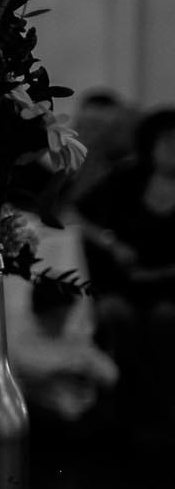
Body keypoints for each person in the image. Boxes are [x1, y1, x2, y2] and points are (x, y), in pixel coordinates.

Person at [77, 106, 175, 429]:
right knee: (116, 315)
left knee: (164, 319)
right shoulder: (128, 178)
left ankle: (160, 414)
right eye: (166, 141)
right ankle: (125, 412)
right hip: (122, 284)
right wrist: (111, 243)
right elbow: (76, 213)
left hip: (167, 287)